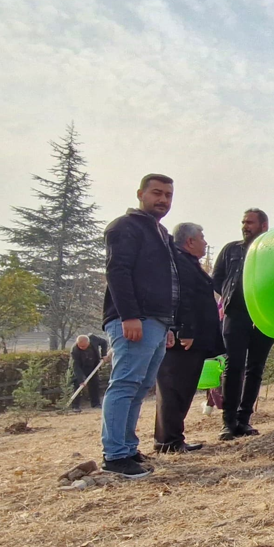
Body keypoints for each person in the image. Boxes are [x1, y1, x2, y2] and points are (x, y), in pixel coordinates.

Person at [100, 174, 178, 479]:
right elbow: (117, 272)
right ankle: (115, 455)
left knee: (140, 387)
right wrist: (129, 315)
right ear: (140, 194)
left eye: (168, 195)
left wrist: (168, 324)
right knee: (125, 384)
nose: (163, 200)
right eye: (157, 193)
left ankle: (128, 448)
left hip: (157, 321)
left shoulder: (160, 232)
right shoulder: (125, 227)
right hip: (134, 320)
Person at [154, 222, 223, 453]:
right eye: (202, 238)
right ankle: (168, 441)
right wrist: (186, 330)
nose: (205, 242)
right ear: (190, 241)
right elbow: (182, 298)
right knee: (174, 389)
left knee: (182, 390)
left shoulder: (189, 263)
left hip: (194, 340)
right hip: (183, 340)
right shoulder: (179, 264)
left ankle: (173, 438)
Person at [212, 208, 274, 440]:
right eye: (243, 222)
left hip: (264, 316)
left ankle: (244, 420)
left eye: (250, 222)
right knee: (233, 366)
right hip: (236, 315)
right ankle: (228, 423)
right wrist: (231, 295)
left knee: (255, 368)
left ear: (264, 226)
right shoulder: (231, 250)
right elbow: (217, 278)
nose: (245, 226)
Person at [69, 335, 104, 410]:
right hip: (80, 368)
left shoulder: (94, 339)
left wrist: (104, 355)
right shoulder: (75, 350)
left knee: (94, 384)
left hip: (93, 366)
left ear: (88, 342)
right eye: (80, 346)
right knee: (77, 384)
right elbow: (76, 366)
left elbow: (104, 342)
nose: (82, 348)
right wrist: (81, 380)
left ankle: (95, 404)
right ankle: (75, 406)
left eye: (84, 346)